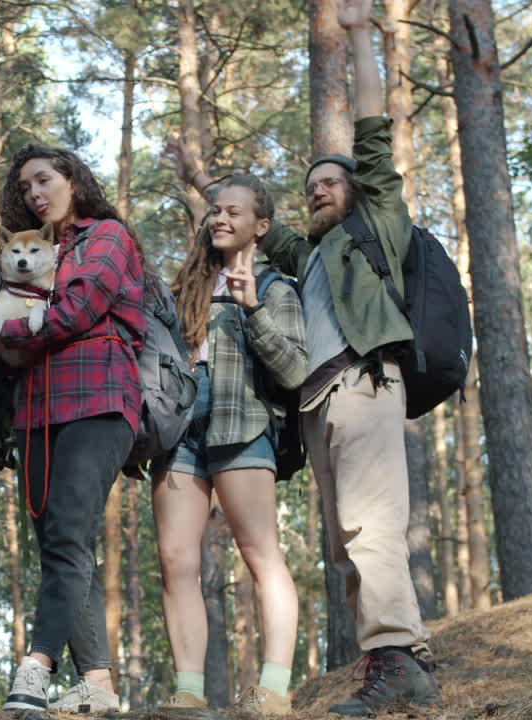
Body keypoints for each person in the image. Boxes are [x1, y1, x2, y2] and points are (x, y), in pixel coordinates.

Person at [167, 0, 441, 713]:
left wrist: (357, 36)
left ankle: (398, 658)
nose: (319, 188)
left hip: (361, 384)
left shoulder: (372, 227)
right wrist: (202, 183)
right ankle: (386, 660)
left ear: (358, 191)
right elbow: (249, 226)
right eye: (312, 183)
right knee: (346, 542)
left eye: (332, 180)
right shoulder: (311, 253)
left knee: (370, 525)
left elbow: (374, 137)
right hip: (316, 404)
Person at [0, 145, 148, 714]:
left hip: (99, 398)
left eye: (45, 180)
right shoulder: (33, 249)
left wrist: (11, 334)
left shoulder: (104, 235)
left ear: (74, 182)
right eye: (26, 186)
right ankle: (100, 685)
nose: (35, 192)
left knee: (67, 533)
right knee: (60, 543)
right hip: (36, 412)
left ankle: (36, 667)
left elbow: (77, 311)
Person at [151, 174, 306, 714]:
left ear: (261, 226)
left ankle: (272, 688)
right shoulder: (186, 288)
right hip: (180, 432)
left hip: (243, 427)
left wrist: (252, 311)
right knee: (175, 558)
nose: (219, 218)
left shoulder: (277, 288)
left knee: (260, 554)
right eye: (214, 210)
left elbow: (294, 371)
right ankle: (189, 691)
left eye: (233, 212)